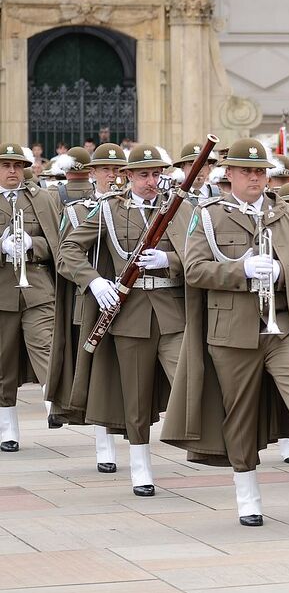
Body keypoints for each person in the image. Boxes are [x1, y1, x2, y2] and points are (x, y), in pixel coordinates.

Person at [162, 138, 289, 526]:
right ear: (229, 174)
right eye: (247, 171)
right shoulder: (208, 215)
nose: (255, 178)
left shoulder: (288, 214)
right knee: (240, 414)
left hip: (279, 324)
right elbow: (194, 270)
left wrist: (282, 273)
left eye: (261, 171)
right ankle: (247, 493)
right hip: (231, 332)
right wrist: (241, 271)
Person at [58, 144, 188, 495]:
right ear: (127, 176)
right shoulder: (108, 210)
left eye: (156, 174)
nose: (151, 181)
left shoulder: (176, 208)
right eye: (143, 174)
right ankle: (141, 465)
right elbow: (68, 250)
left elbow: (197, 253)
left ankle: (199, 438)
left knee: (188, 380)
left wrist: (169, 261)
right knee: (136, 395)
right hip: (130, 317)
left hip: (171, 312)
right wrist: (95, 282)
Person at [46, 143, 126, 472]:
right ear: (92, 174)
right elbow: (66, 256)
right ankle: (104, 444)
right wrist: (92, 281)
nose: (114, 176)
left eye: (120, 170)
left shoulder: (135, 209)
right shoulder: (78, 211)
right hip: (91, 302)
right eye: (107, 169)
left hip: (132, 301)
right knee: (95, 376)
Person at [0, 143, 61, 453]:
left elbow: (58, 245)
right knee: (3, 364)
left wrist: (32, 243)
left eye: (17, 165)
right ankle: (8, 429)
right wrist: (2, 247)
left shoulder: (41, 198)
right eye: (6, 165)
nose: (13, 171)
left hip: (37, 287)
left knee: (46, 347)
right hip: (1, 293)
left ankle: (55, 406)